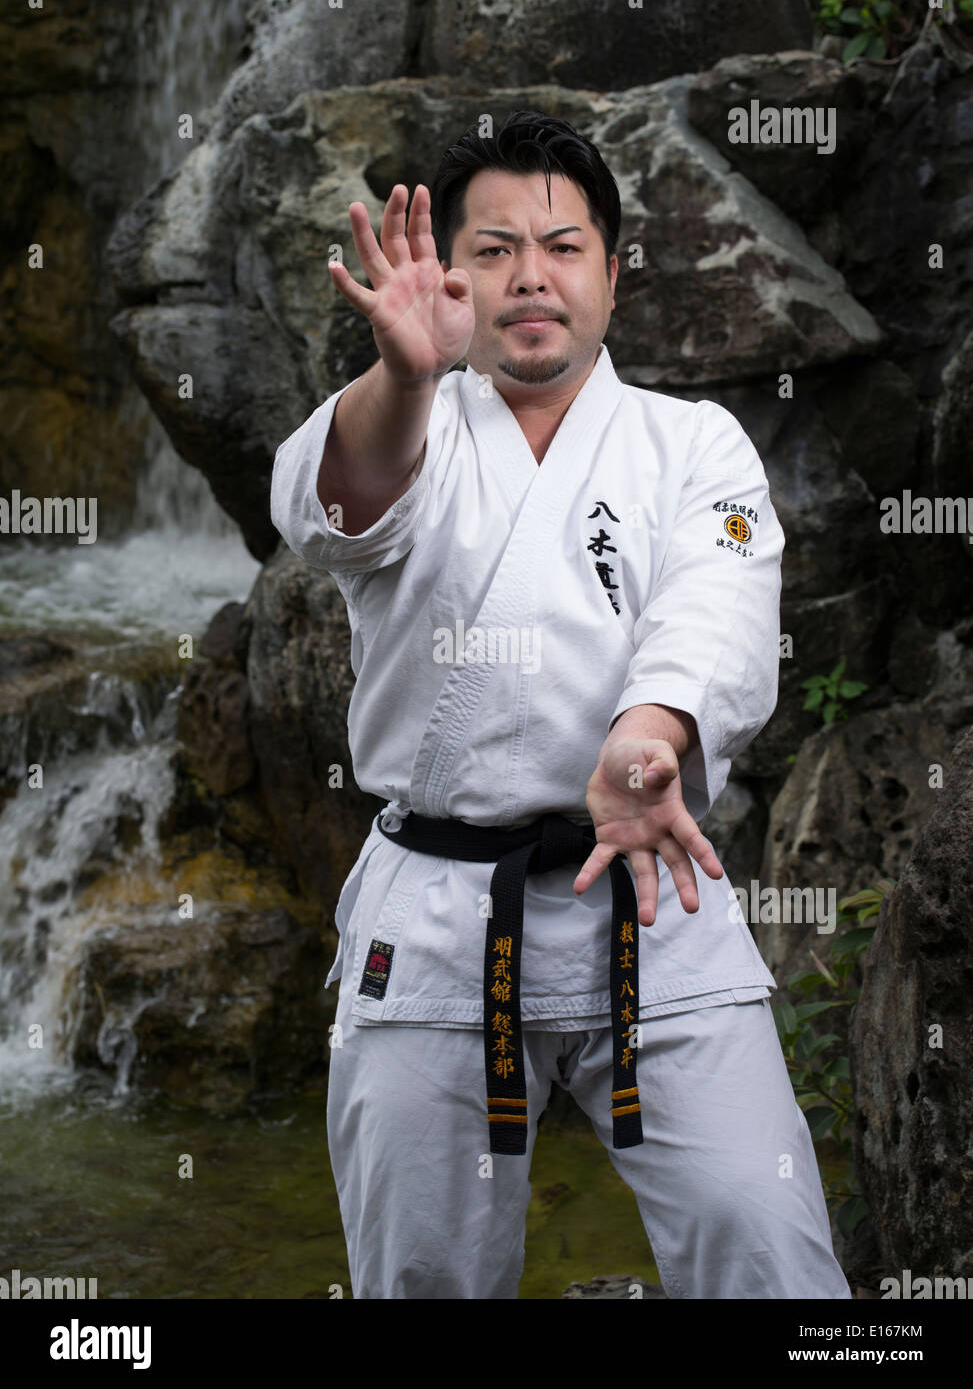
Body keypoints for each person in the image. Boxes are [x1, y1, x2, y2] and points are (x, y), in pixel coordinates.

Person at [270, 109, 852, 1300]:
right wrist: (400, 375)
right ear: (449, 276)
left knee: (766, 1238)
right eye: (491, 249)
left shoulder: (695, 447)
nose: (529, 275)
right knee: (422, 1274)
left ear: (612, 277)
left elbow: (719, 607)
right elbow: (336, 506)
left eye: (562, 245)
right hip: (437, 914)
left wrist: (649, 739)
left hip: (653, 883)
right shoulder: (409, 426)